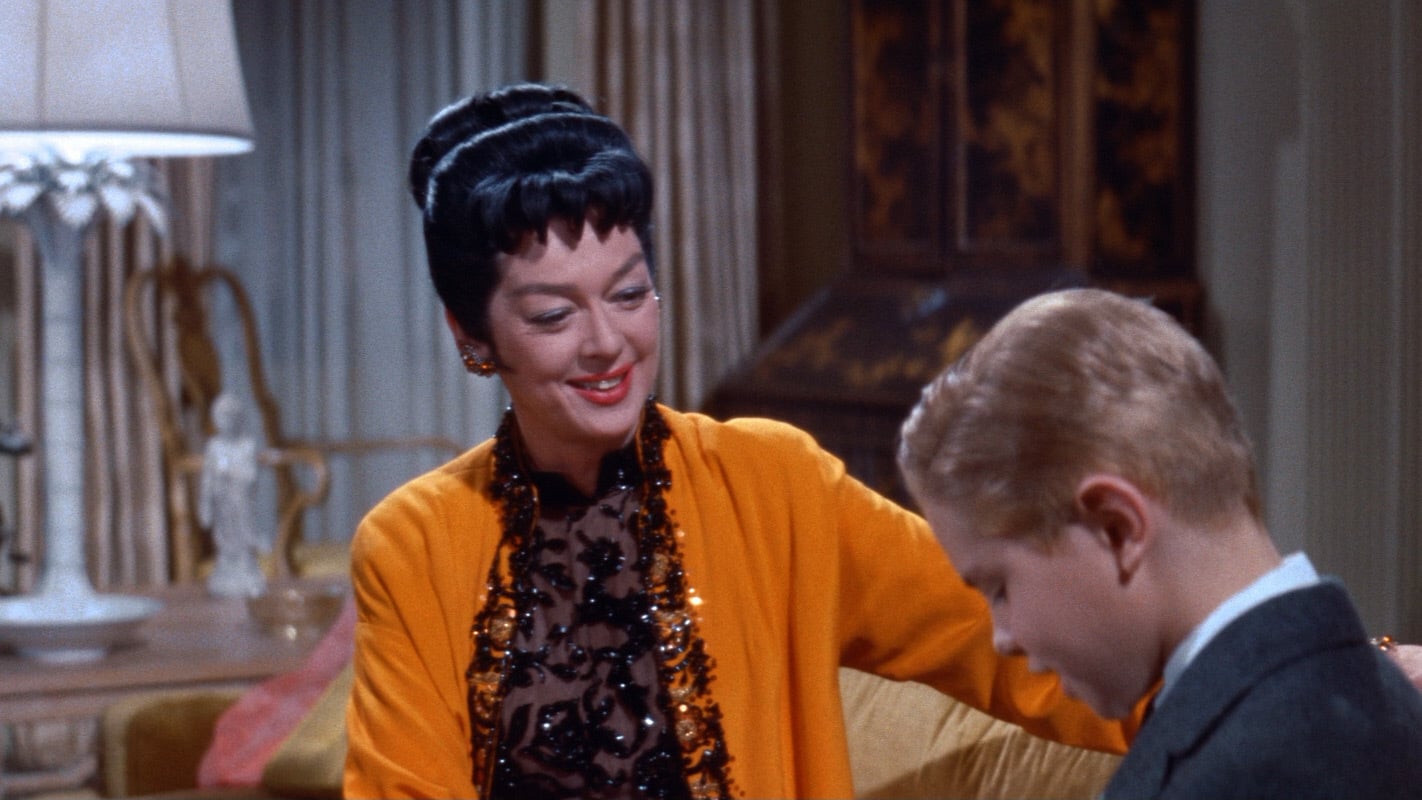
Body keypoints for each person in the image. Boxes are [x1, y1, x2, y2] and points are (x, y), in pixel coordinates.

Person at [342, 83, 1141, 800]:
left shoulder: (776, 486)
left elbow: (1006, 634)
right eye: (554, 315)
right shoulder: (412, 547)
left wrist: (1208, 685)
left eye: (630, 294)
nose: (607, 343)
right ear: (470, 333)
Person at [897, 287, 1422, 799]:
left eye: (999, 588)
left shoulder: (1259, 768)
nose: (1002, 638)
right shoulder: (1367, 694)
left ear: (1116, 527)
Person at [199, 392, 266, 598]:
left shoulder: (247, 446)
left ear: (238, 418)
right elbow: (208, 478)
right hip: (221, 500)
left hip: (240, 500)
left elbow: (251, 475)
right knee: (224, 537)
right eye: (221, 417)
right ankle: (226, 566)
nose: (225, 422)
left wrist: (229, 474)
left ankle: (246, 567)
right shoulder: (214, 446)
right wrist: (205, 504)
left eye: (230, 416)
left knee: (243, 535)